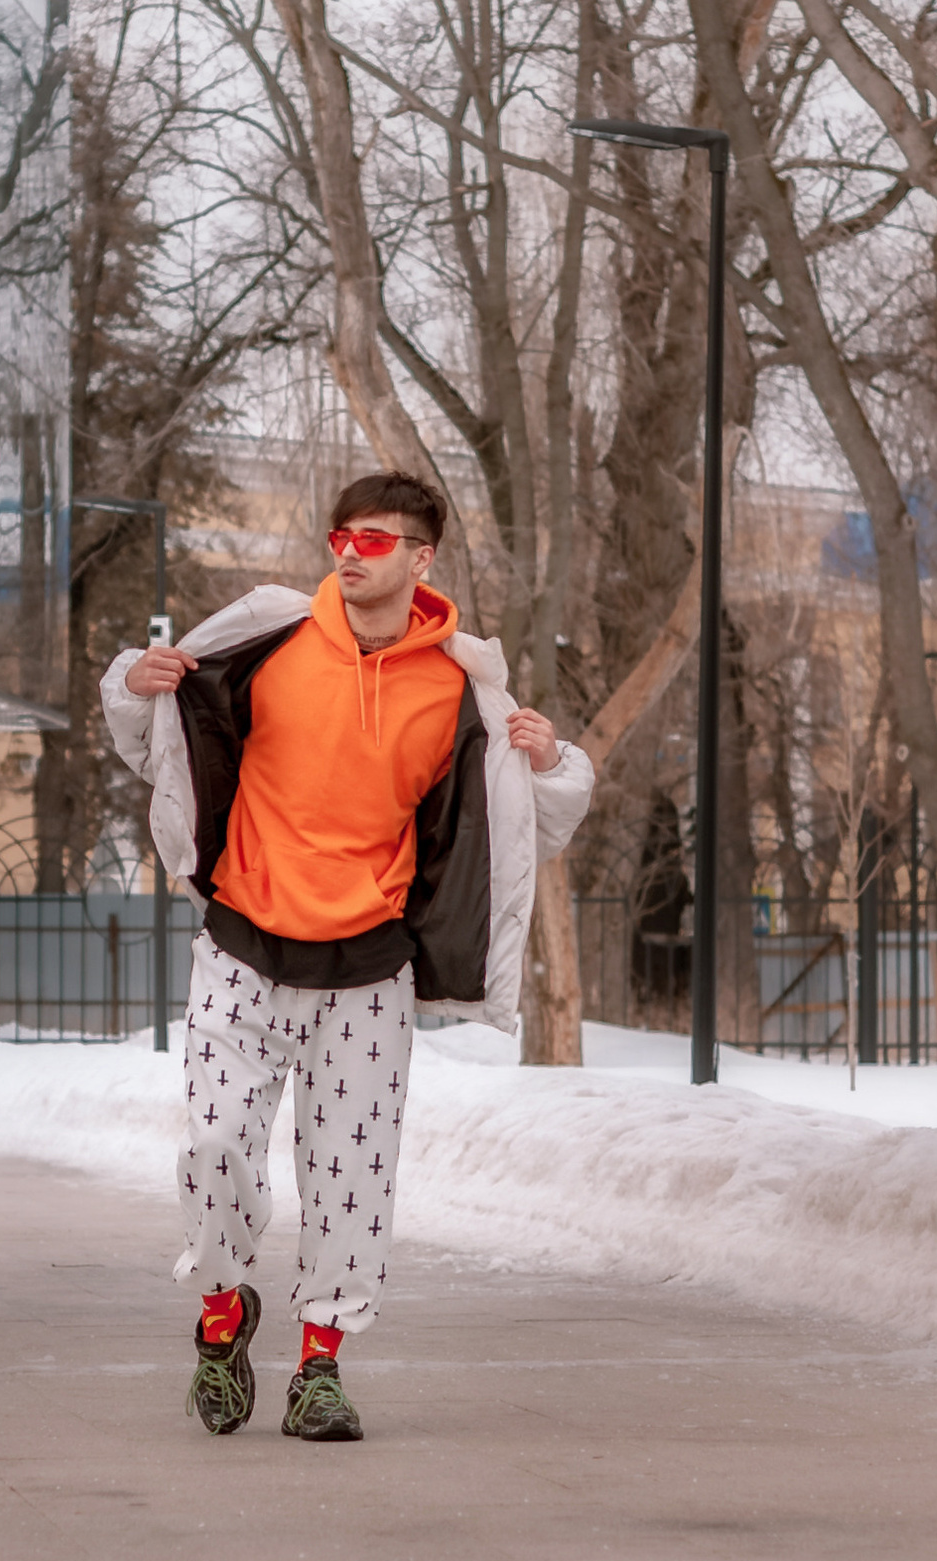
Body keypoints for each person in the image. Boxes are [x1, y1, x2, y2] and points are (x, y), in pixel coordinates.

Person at [101, 473, 594, 1442]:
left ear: (422, 558)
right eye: (341, 536)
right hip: (242, 944)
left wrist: (546, 763)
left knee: (352, 1177)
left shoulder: (459, 689)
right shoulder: (266, 638)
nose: (350, 552)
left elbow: (518, 824)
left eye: (374, 539)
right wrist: (134, 685)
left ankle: (319, 1368)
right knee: (213, 1146)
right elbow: (159, 742)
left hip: (368, 969)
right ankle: (222, 1316)